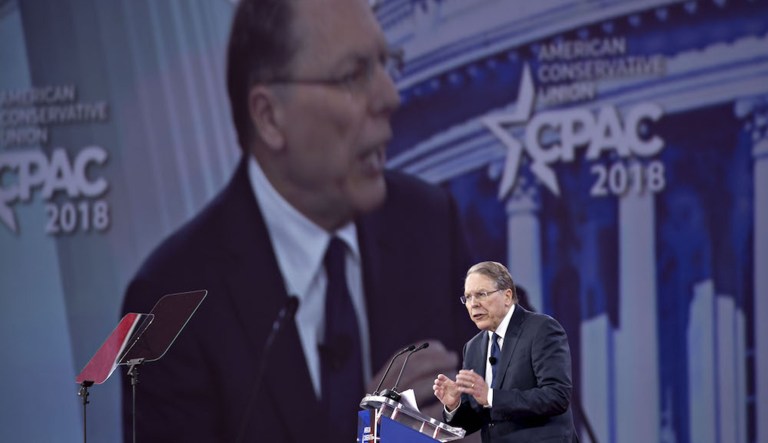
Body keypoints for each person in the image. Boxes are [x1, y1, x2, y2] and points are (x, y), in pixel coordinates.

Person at [120, 0, 475, 441]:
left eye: (386, 65)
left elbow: (529, 391)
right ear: (269, 116)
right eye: (353, 75)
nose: (389, 97)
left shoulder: (428, 224)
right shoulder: (170, 302)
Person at [433, 261, 578, 442]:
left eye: (481, 294)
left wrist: (491, 396)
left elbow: (557, 396)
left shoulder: (541, 329)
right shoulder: (473, 348)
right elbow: (480, 416)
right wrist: (453, 405)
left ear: (507, 296)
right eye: (467, 297)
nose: (473, 304)